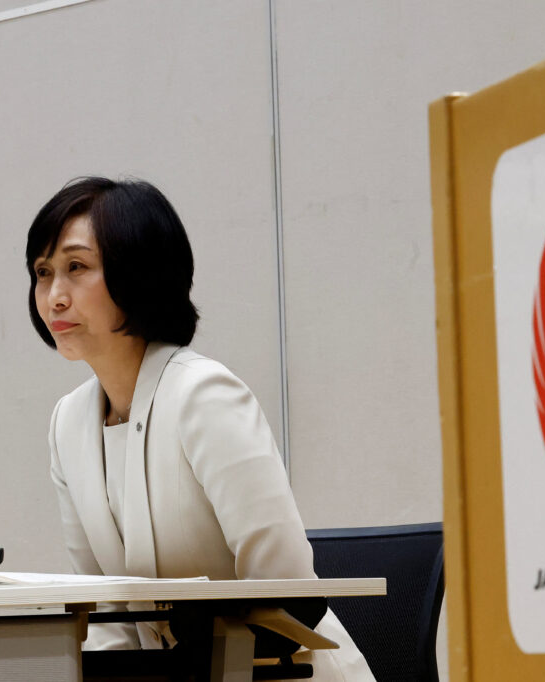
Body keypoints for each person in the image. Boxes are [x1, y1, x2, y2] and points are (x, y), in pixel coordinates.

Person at [27, 177, 374, 680]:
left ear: (138, 272)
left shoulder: (203, 395)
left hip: (283, 671)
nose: (54, 295)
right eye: (43, 272)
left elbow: (288, 595)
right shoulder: (67, 423)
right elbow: (105, 614)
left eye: (76, 267)